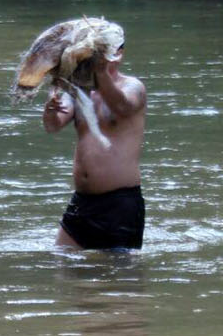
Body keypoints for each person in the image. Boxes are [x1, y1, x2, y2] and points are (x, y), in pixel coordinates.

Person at [42, 42, 146, 250]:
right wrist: (50, 111)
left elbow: (122, 106)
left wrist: (101, 72)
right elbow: (53, 126)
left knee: (116, 278)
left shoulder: (133, 87)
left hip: (120, 204)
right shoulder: (78, 91)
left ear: (118, 53)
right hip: (82, 203)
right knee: (62, 266)